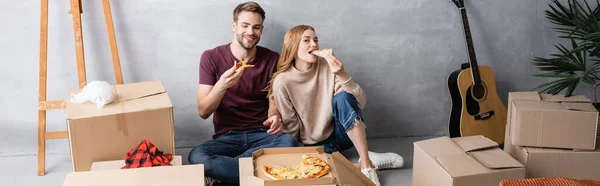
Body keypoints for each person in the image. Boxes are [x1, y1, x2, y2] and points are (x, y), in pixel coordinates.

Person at [265, 25, 405, 186]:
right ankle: (368, 159)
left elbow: (360, 102)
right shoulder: (282, 81)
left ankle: (366, 165)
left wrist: (341, 74)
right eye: (307, 40)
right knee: (316, 175)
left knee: (344, 96)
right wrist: (302, 155)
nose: (314, 44)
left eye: (315, 40)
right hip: (314, 145)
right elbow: (291, 126)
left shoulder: (326, 66)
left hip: (341, 135)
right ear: (292, 46)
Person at [188, 2, 300, 185]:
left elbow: (273, 101)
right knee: (197, 156)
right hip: (227, 137)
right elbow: (203, 111)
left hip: (263, 134)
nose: (250, 32)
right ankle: (261, 176)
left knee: (289, 142)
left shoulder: (272, 59)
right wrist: (222, 85)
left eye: (256, 27)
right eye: (245, 26)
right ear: (234, 26)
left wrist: (275, 116)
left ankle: (230, 176)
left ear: (261, 29)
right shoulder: (211, 58)